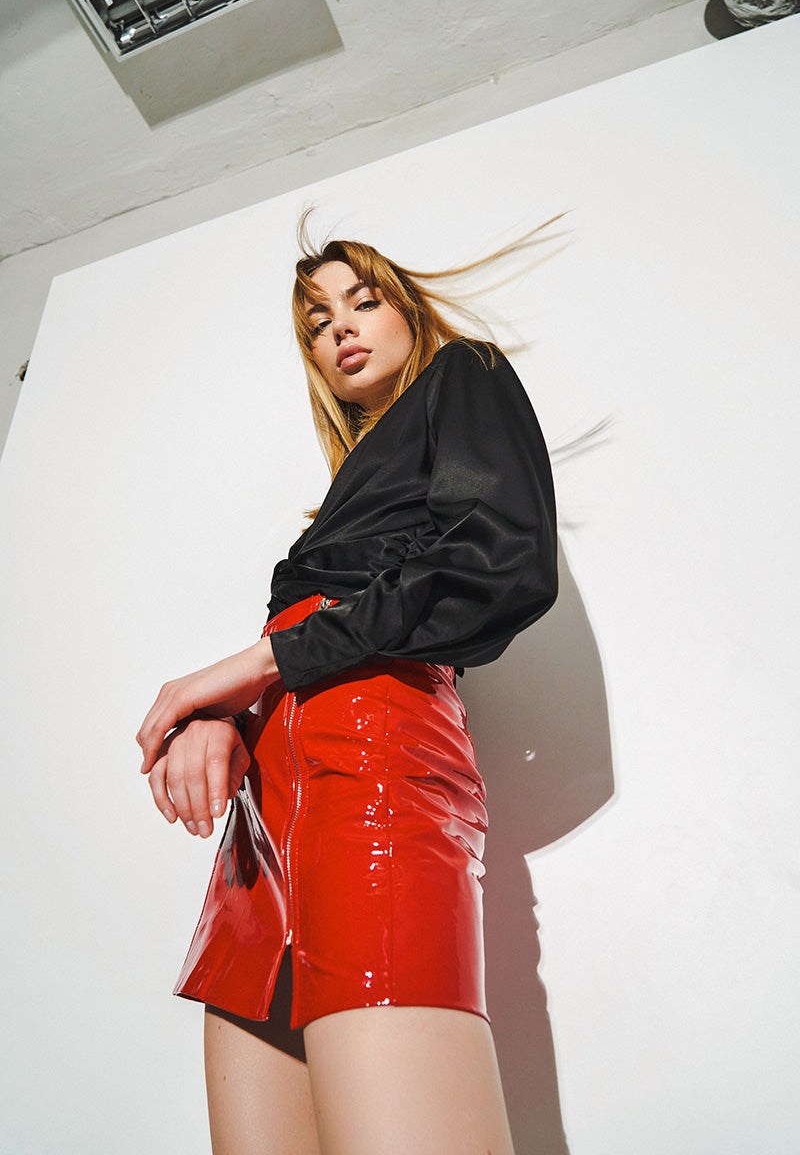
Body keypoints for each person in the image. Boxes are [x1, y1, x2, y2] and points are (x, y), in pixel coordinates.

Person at [137, 226, 559, 1155]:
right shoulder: (352, 496)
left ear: (408, 311)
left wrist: (256, 666)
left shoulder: (466, 375)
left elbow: (500, 562)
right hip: (261, 817)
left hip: (374, 764)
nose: (340, 328)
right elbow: (303, 641)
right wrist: (225, 717)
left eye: (363, 300)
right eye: (318, 321)